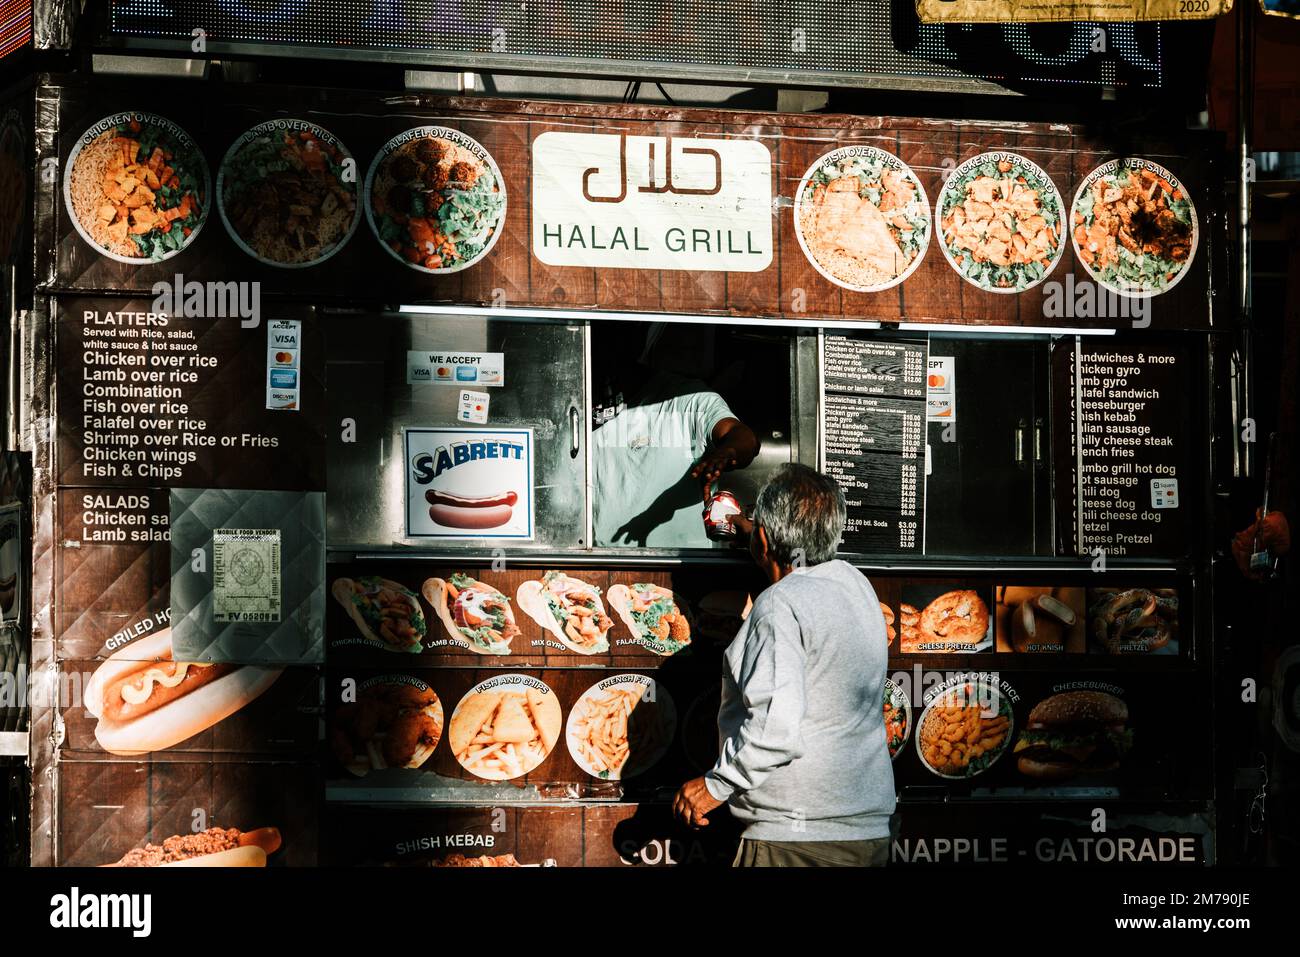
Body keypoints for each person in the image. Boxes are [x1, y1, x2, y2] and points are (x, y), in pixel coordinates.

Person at [672, 462, 896, 867]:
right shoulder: (855, 585)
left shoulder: (780, 605)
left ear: (762, 538)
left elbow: (774, 731)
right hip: (867, 832)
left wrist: (714, 786)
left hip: (797, 842)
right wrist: (752, 529)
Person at [590, 323, 759, 547]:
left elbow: (743, 438)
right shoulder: (589, 409)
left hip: (685, 565)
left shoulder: (690, 397)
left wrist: (727, 451)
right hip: (603, 563)